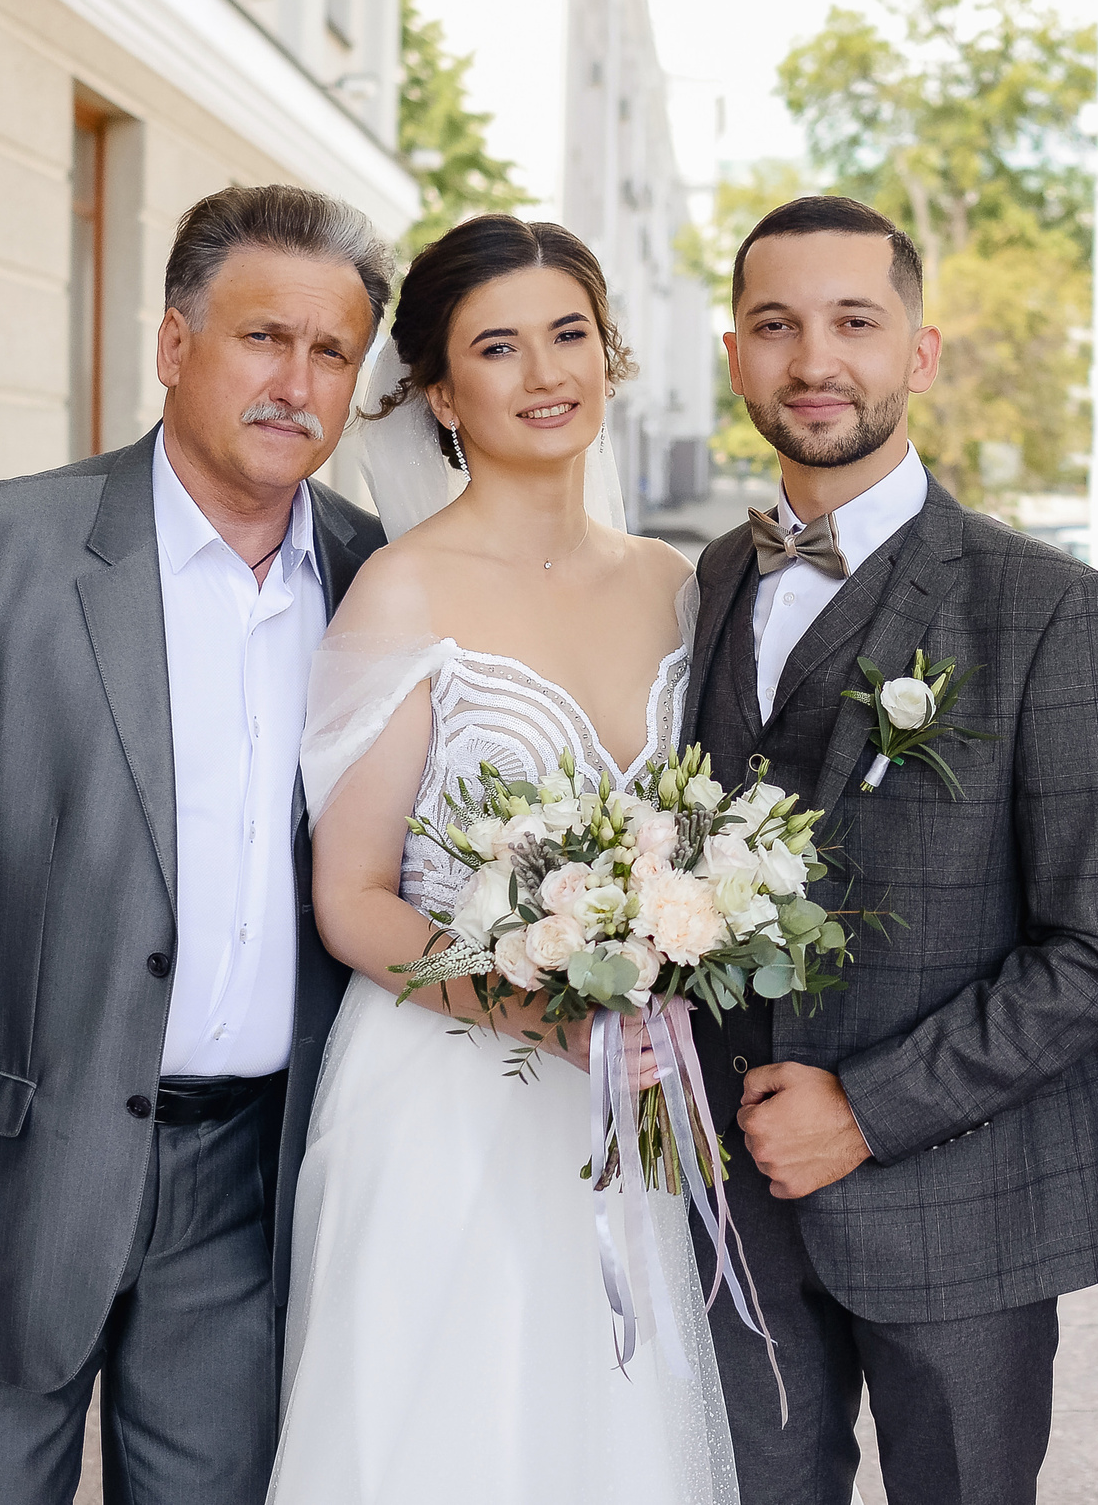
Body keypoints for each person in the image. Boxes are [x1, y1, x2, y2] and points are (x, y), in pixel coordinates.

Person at [0, 185, 393, 1503]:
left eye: (332, 351)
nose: (295, 382)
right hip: (7, 1176)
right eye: (263, 337)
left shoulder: (376, 577)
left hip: (250, 1188)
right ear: (175, 343)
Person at [681, 193, 1098, 1505]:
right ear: (735, 357)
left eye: (855, 321)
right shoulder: (707, 582)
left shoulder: (1049, 607)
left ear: (920, 350)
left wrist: (866, 1111)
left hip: (963, 1199)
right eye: (776, 326)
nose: (814, 360)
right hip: (729, 1201)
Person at [270, 214, 735, 1502]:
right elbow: (350, 896)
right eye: (497, 347)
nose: (544, 374)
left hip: (624, 1104)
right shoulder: (403, 589)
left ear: (609, 356)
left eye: (569, 334)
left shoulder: (674, 584)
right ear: (438, 393)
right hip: (448, 1095)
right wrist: (541, 1015)